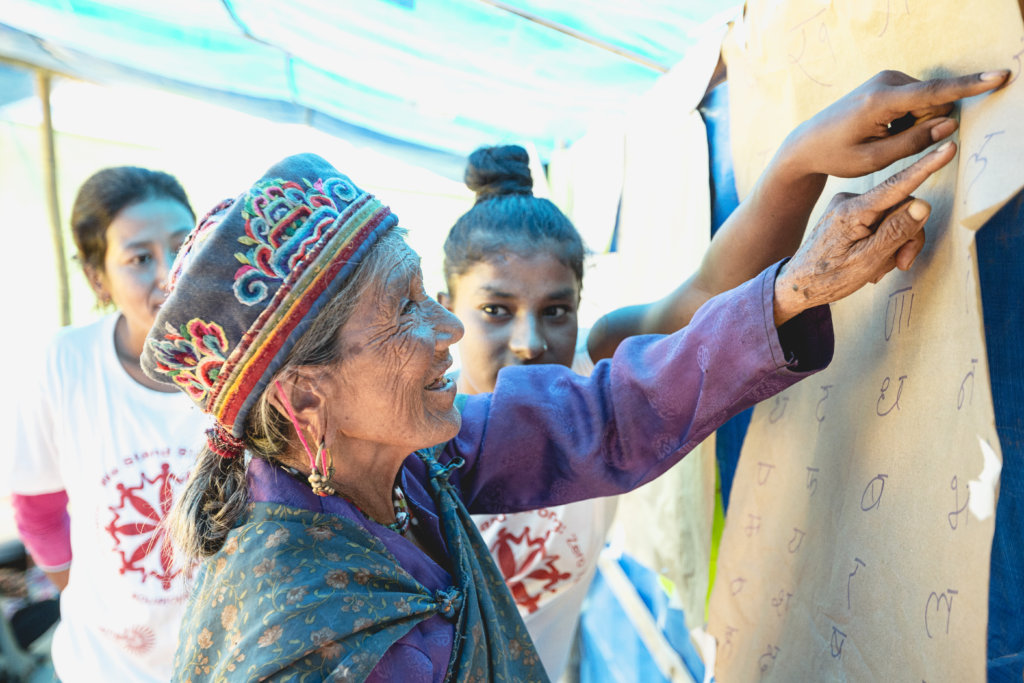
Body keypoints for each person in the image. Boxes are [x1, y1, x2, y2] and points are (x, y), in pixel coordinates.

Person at [147, 69, 1007, 682]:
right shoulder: (321, 640)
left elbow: (604, 415)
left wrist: (796, 283)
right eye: (410, 310)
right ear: (305, 397)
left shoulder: (398, 461)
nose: (446, 330)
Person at [437, 68, 1006, 679]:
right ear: (444, 310)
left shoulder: (595, 370)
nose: (529, 342)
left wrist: (799, 160)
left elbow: (712, 292)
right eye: (495, 311)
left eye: (556, 310)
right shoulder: (413, 439)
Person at [10, 167, 212, 681]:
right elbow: (38, 509)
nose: (171, 273)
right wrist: (98, 605)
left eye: (183, 243)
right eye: (140, 258)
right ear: (97, 277)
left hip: (227, 661)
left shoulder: (243, 365)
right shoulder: (66, 363)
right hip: (105, 666)